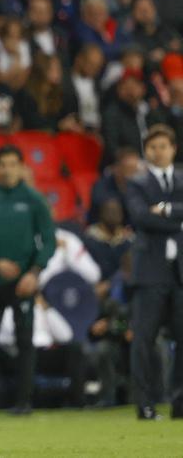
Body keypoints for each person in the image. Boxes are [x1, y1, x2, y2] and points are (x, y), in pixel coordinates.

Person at [0, 144, 56, 414]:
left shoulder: (34, 199)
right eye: (2, 165)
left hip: (23, 281)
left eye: (12, 165)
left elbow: (48, 240)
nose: (6, 170)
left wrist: (34, 272)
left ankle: (24, 401)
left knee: (24, 340)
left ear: (22, 167)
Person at [123, 124, 183, 420]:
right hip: (149, 272)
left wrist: (167, 210)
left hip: (180, 273)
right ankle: (144, 404)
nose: (158, 152)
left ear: (174, 149)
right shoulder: (136, 183)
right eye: (153, 147)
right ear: (146, 151)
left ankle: (180, 404)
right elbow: (140, 217)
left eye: (163, 146)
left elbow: (154, 216)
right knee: (144, 340)